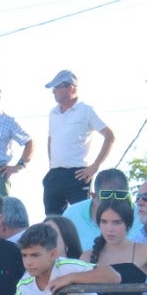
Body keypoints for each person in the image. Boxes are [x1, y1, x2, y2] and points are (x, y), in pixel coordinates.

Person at [43, 69, 114, 216]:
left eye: (57, 87)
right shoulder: (53, 113)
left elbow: (109, 136)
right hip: (55, 174)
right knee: (52, 221)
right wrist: (51, 165)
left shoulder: (86, 110)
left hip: (78, 174)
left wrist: (95, 166)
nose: (53, 91)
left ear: (70, 88)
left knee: (81, 218)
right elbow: (51, 138)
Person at [62, 168, 146, 249]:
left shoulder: (141, 216)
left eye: (120, 195)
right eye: (106, 195)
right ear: (94, 196)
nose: (113, 201)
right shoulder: (71, 215)